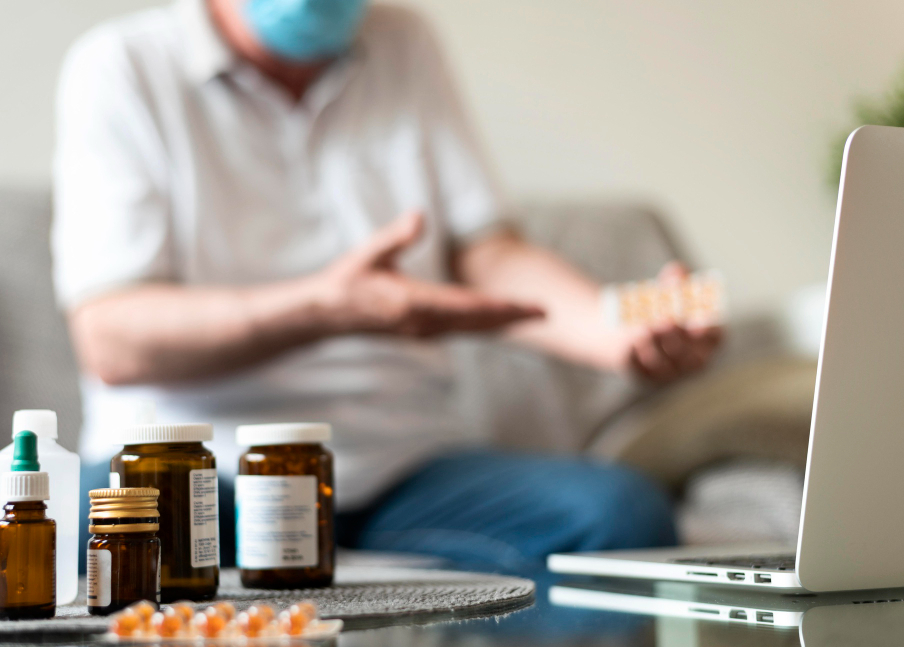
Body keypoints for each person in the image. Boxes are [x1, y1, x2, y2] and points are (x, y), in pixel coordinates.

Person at [53, 0, 722, 573]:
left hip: (397, 470)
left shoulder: (403, 43)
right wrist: (327, 308)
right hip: (197, 470)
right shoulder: (120, 67)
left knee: (617, 514)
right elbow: (114, 339)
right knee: (104, 529)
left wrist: (614, 329)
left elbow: (484, 254)